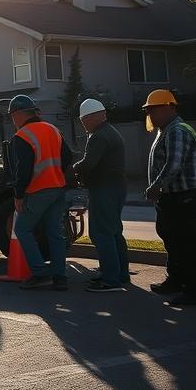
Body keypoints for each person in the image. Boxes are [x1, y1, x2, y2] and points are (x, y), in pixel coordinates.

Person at [142, 89, 196, 306]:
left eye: (153, 110)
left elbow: (173, 165)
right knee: (173, 239)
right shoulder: (167, 130)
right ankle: (177, 280)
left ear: (169, 107)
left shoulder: (177, 131)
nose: (150, 115)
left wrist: (156, 187)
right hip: (175, 196)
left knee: (190, 244)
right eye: (148, 111)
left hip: (184, 197)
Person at [7, 95, 74, 291]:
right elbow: (68, 156)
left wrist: (18, 196)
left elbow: (23, 170)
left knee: (22, 229)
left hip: (38, 191)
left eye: (12, 116)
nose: (12, 120)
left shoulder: (22, 136)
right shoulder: (53, 130)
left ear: (19, 114)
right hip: (58, 189)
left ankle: (39, 272)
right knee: (55, 233)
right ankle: (60, 277)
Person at [73, 98, 130, 293]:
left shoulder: (98, 136)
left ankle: (110, 279)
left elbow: (89, 163)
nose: (83, 125)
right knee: (114, 232)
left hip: (104, 189)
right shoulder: (111, 132)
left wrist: (73, 169)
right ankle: (121, 274)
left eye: (83, 121)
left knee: (101, 233)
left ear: (91, 118)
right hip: (116, 187)